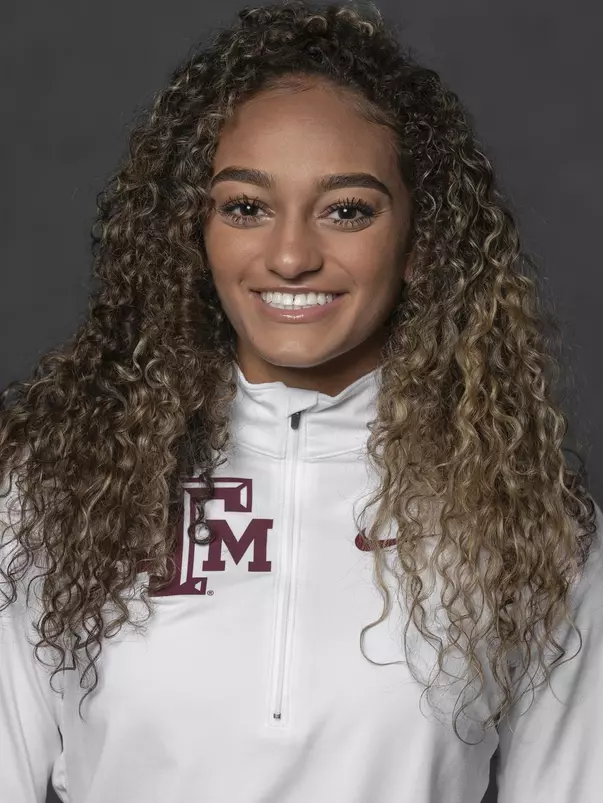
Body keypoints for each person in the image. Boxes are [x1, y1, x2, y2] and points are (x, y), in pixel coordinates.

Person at [1, 1, 601, 801]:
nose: (289, 256)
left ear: (419, 243)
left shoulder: (526, 522)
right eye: (245, 207)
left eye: (346, 210)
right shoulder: (57, 486)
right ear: (194, 232)